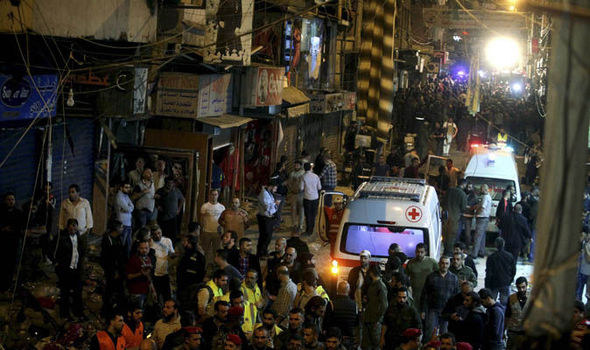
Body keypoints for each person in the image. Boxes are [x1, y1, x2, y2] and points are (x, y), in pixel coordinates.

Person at [54, 218, 86, 320]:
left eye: (75, 225)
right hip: (65, 270)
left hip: (76, 269)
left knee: (77, 292)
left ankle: (78, 312)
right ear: (68, 227)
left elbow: (81, 252)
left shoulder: (79, 238)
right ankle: (64, 314)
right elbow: (52, 249)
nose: (73, 227)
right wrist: (57, 262)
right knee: (65, 292)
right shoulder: (61, 238)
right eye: (71, 225)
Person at [421, 256, 459, 342]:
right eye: (442, 263)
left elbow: (456, 296)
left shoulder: (454, 278)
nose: (444, 265)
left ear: (449, 265)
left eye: (446, 263)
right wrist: (423, 310)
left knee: (445, 334)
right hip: (432, 309)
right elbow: (425, 294)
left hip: (447, 312)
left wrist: (455, 311)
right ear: (439, 264)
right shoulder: (431, 277)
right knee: (429, 332)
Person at [100, 220, 126, 317]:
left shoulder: (118, 238)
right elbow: (108, 258)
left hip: (119, 270)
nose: (123, 229)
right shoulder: (107, 241)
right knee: (110, 291)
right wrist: (114, 271)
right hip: (112, 271)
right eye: (121, 227)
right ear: (116, 229)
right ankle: (106, 311)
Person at [405, 243, 439, 315]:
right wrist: (408, 288)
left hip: (429, 294)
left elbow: (439, 274)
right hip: (415, 294)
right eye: (417, 252)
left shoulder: (432, 262)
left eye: (421, 252)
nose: (419, 254)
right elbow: (405, 277)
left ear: (425, 252)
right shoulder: (411, 263)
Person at [0, 192, 24, 292]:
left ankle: (8, 285)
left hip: (13, 242)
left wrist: (13, 230)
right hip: (2, 242)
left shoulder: (18, 213)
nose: (11, 202)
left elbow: (20, 227)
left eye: (12, 200)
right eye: (9, 199)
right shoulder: (1, 212)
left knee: (11, 264)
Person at [324, 281, 358, 348]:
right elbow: (357, 323)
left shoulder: (331, 303)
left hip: (334, 339)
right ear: (348, 290)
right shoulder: (355, 305)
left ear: (338, 289)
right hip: (349, 338)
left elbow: (326, 322)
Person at [177, 232, 206, 310]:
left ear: (190, 243)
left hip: (191, 285)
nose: (183, 243)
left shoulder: (198, 256)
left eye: (185, 241)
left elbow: (201, 271)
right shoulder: (185, 254)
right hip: (183, 285)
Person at [362, 264, 388, 350]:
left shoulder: (380, 286)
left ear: (371, 273)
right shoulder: (373, 285)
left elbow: (384, 305)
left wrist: (379, 318)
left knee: (376, 344)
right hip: (369, 318)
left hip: (375, 321)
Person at [485, 237, 516, 305]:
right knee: (504, 304)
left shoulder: (491, 257)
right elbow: (513, 270)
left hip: (494, 283)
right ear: (504, 244)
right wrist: (510, 280)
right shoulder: (510, 256)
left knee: (491, 303)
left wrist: (487, 286)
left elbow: (488, 273)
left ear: (495, 245)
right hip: (505, 282)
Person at [150, 224, 176, 302]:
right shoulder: (150, 243)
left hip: (165, 274)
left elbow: (172, 254)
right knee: (156, 299)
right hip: (155, 275)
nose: (157, 236)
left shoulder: (167, 241)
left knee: (167, 298)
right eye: (155, 234)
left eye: (159, 233)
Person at [201, 189, 225, 268]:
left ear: (218, 195)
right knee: (205, 250)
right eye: (212, 194)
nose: (214, 196)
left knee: (216, 251)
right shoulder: (205, 206)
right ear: (209, 195)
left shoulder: (222, 207)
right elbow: (201, 219)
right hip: (207, 232)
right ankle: (203, 265)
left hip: (217, 233)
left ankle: (215, 267)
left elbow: (223, 220)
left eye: (215, 194)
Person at [125, 240, 154, 308]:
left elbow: (149, 277)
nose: (144, 250)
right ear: (138, 248)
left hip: (146, 291)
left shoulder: (148, 259)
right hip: (136, 292)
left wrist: (153, 290)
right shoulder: (133, 260)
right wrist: (140, 273)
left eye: (146, 248)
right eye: (142, 248)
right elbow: (129, 276)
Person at [443, 179, 468, 255]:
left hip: (445, 217)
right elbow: (463, 208)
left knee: (444, 235)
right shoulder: (462, 194)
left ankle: (445, 250)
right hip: (454, 218)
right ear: (463, 185)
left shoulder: (449, 190)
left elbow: (442, 201)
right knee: (452, 236)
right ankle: (449, 253)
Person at [505, 277, 529, 350]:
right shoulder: (511, 298)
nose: (521, 290)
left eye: (523, 287)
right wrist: (504, 330)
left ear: (527, 286)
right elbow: (507, 315)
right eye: (519, 287)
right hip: (513, 331)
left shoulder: (532, 298)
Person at [257, 182, 279, 257]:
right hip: (265, 218)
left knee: (267, 237)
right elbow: (267, 207)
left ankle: (264, 251)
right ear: (271, 186)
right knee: (265, 237)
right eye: (275, 188)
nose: (275, 190)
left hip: (269, 217)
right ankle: (261, 253)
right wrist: (275, 203)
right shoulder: (264, 194)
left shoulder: (268, 193)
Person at [471, 184, 492, 258]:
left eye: (481, 189)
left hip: (481, 217)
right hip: (485, 218)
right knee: (482, 236)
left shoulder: (485, 197)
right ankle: (481, 252)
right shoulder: (488, 196)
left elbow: (482, 207)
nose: (480, 190)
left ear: (484, 189)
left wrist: (476, 210)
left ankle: (474, 254)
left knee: (477, 237)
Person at [301, 163, 322, 236]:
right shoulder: (316, 176)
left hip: (307, 198)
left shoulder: (303, 177)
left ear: (304, 169)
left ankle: (308, 230)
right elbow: (319, 187)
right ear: (311, 168)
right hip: (315, 198)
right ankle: (312, 229)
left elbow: (301, 188)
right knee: (313, 215)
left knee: (308, 215)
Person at [288, 160, 305, 233]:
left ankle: (300, 225)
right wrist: (291, 190)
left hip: (301, 194)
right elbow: (289, 183)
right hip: (294, 194)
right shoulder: (292, 173)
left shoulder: (303, 173)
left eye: (297, 165)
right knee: (293, 209)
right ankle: (294, 224)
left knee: (301, 210)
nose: (296, 166)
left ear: (301, 166)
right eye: (295, 165)